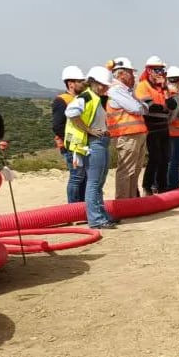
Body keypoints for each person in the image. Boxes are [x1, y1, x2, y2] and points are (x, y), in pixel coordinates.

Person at [64, 67, 117, 229]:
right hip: (94, 143)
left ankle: (101, 215)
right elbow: (71, 112)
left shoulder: (95, 98)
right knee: (94, 183)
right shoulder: (87, 97)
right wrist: (89, 130)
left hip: (100, 141)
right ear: (94, 82)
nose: (106, 88)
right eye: (103, 85)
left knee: (99, 182)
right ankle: (95, 219)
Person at [105, 57, 148, 199]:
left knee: (135, 171)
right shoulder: (115, 90)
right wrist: (140, 106)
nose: (133, 76)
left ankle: (131, 203)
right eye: (130, 72)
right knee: (126, 172)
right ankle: (123, 204)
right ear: (122, 74)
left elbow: (145, 108)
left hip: (136, 135)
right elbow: (137, 108)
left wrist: (140, 106)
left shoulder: (126, 91)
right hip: (126, 136)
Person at [135, 56, 170, 195]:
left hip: (164, 127)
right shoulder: (143, 86)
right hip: (151, 128)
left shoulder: (161, 87)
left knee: (165, 159)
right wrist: (164, 107)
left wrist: (165, 87)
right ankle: (147, 187)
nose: (160, 72)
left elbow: (172, 105)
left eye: (162, 69)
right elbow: (149, 107)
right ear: (149, 70)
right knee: (155, 159)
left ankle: (162, 187)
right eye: (157, 69)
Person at [53, 66, 87, 203]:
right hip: (71, 146)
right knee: (77, 177)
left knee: (84, 176)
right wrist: (71, 142)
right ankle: (73, 209)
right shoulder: (62, 100)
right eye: (80, 81)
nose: (83, 84)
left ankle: (82, 207)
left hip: (82, 144)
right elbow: (58, 126)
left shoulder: (81, 98)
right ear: (70, 83)